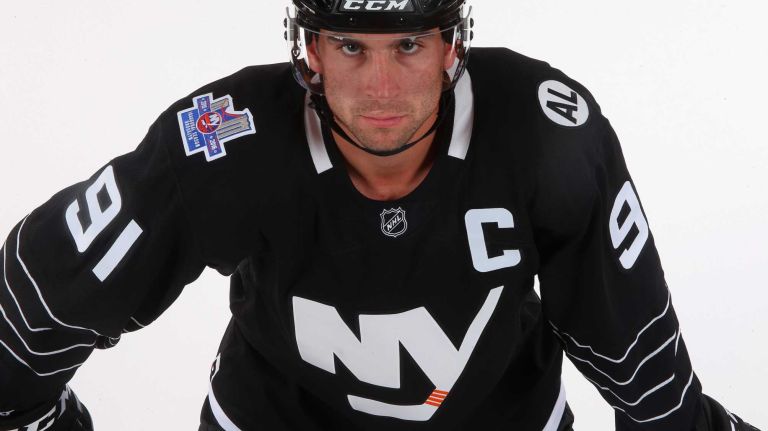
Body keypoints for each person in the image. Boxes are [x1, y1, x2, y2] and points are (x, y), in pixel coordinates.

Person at [0, 1, 761, 430]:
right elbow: (37, 302)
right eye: (350, 46)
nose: (382, 89)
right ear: (310, 51)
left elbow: (646, 376)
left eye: (406, 43)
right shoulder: (223, 141)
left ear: (453, 45)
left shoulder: (546, 138)